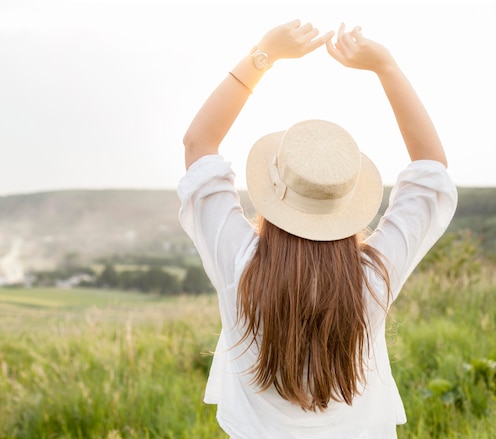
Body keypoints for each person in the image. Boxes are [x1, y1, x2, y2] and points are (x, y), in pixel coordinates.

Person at [178, 19, 458, 439]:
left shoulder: (239, 265)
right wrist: (386, 67)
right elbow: (431, 168)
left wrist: (264, 54)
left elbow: (198, 143)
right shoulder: (373, 278)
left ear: (272, 189)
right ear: (349, 202)